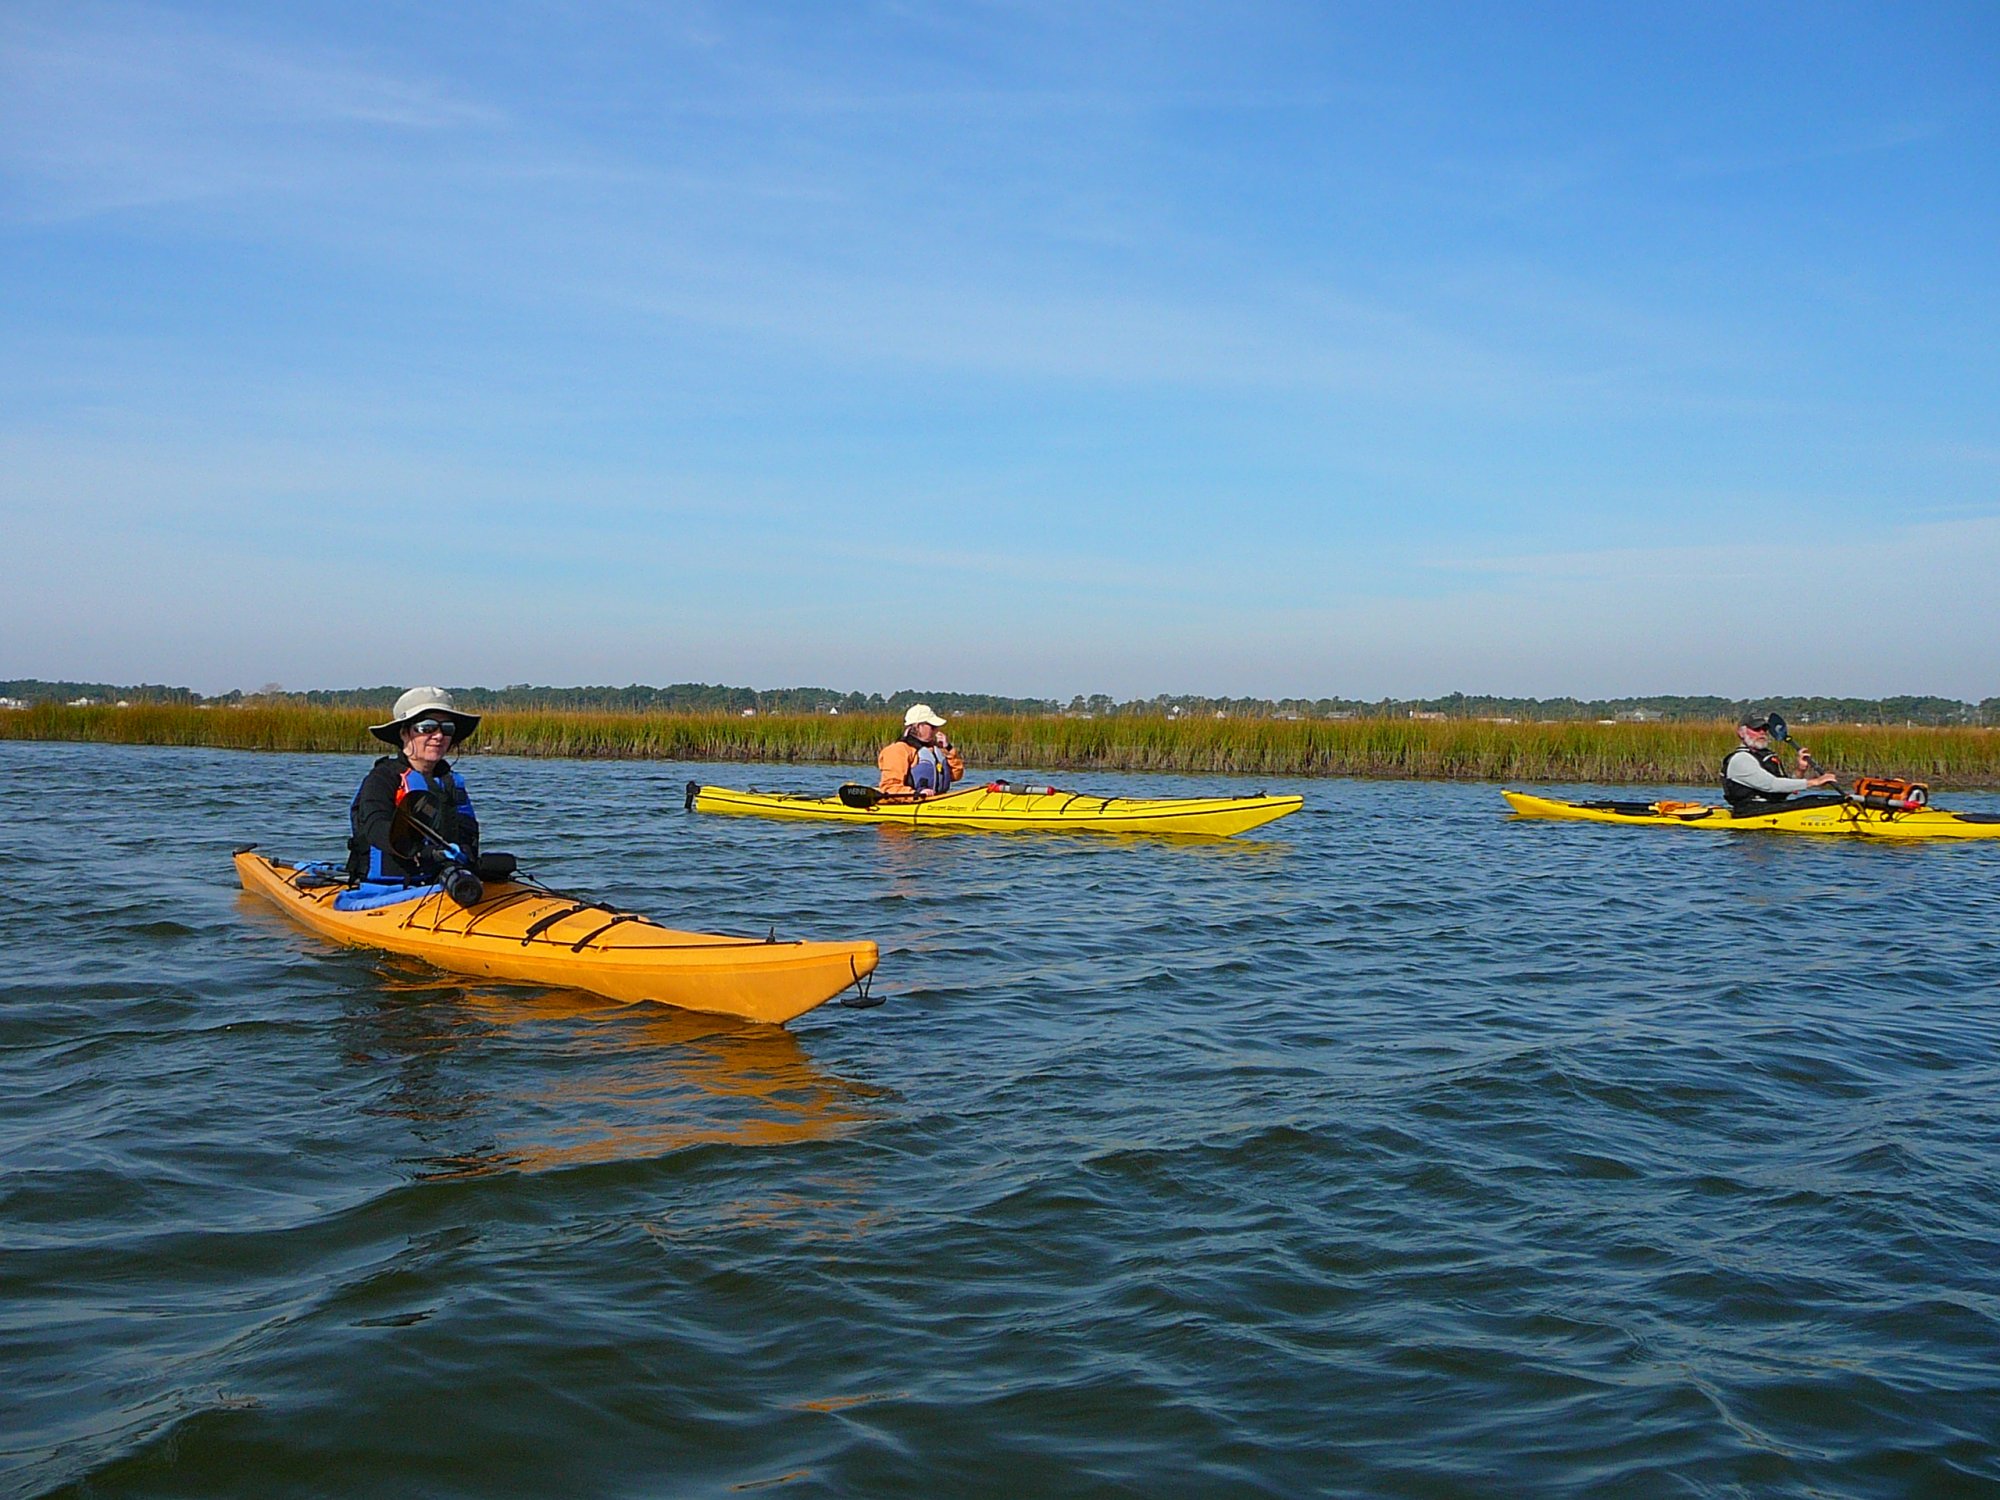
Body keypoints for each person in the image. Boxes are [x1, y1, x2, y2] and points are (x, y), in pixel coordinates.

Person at [346, 687, 482, 883]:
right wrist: (418, 849)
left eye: (447, 728)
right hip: (389, 888)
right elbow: (374, 826)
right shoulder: (382, 778)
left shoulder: (449, 782)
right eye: (427, 728)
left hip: (445, 882)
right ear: (404, 733)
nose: (438, 736)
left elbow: (467, 835)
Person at [1722, 712, 1839, 814]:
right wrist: (1815, 782)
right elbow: (1771, 785)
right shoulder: (1740, 759)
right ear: (1741, 733)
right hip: (1749, 812)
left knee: (1816, 798)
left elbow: (1784, 789)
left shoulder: (1765, 756)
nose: (1762, 733)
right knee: (1813, 801)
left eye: (1765, 729)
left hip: (1771, 808)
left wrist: (1800, 770)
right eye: (1756, 729)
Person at [878, 703, 965, 800]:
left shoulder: (937, 748)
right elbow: (889, 788)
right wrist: (915, 794)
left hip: (936, 801)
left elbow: (956, 776)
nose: (937, 730)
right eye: (932, 727)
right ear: (919, 726)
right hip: (912, 803)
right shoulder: (898, 751)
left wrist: (948, 749)